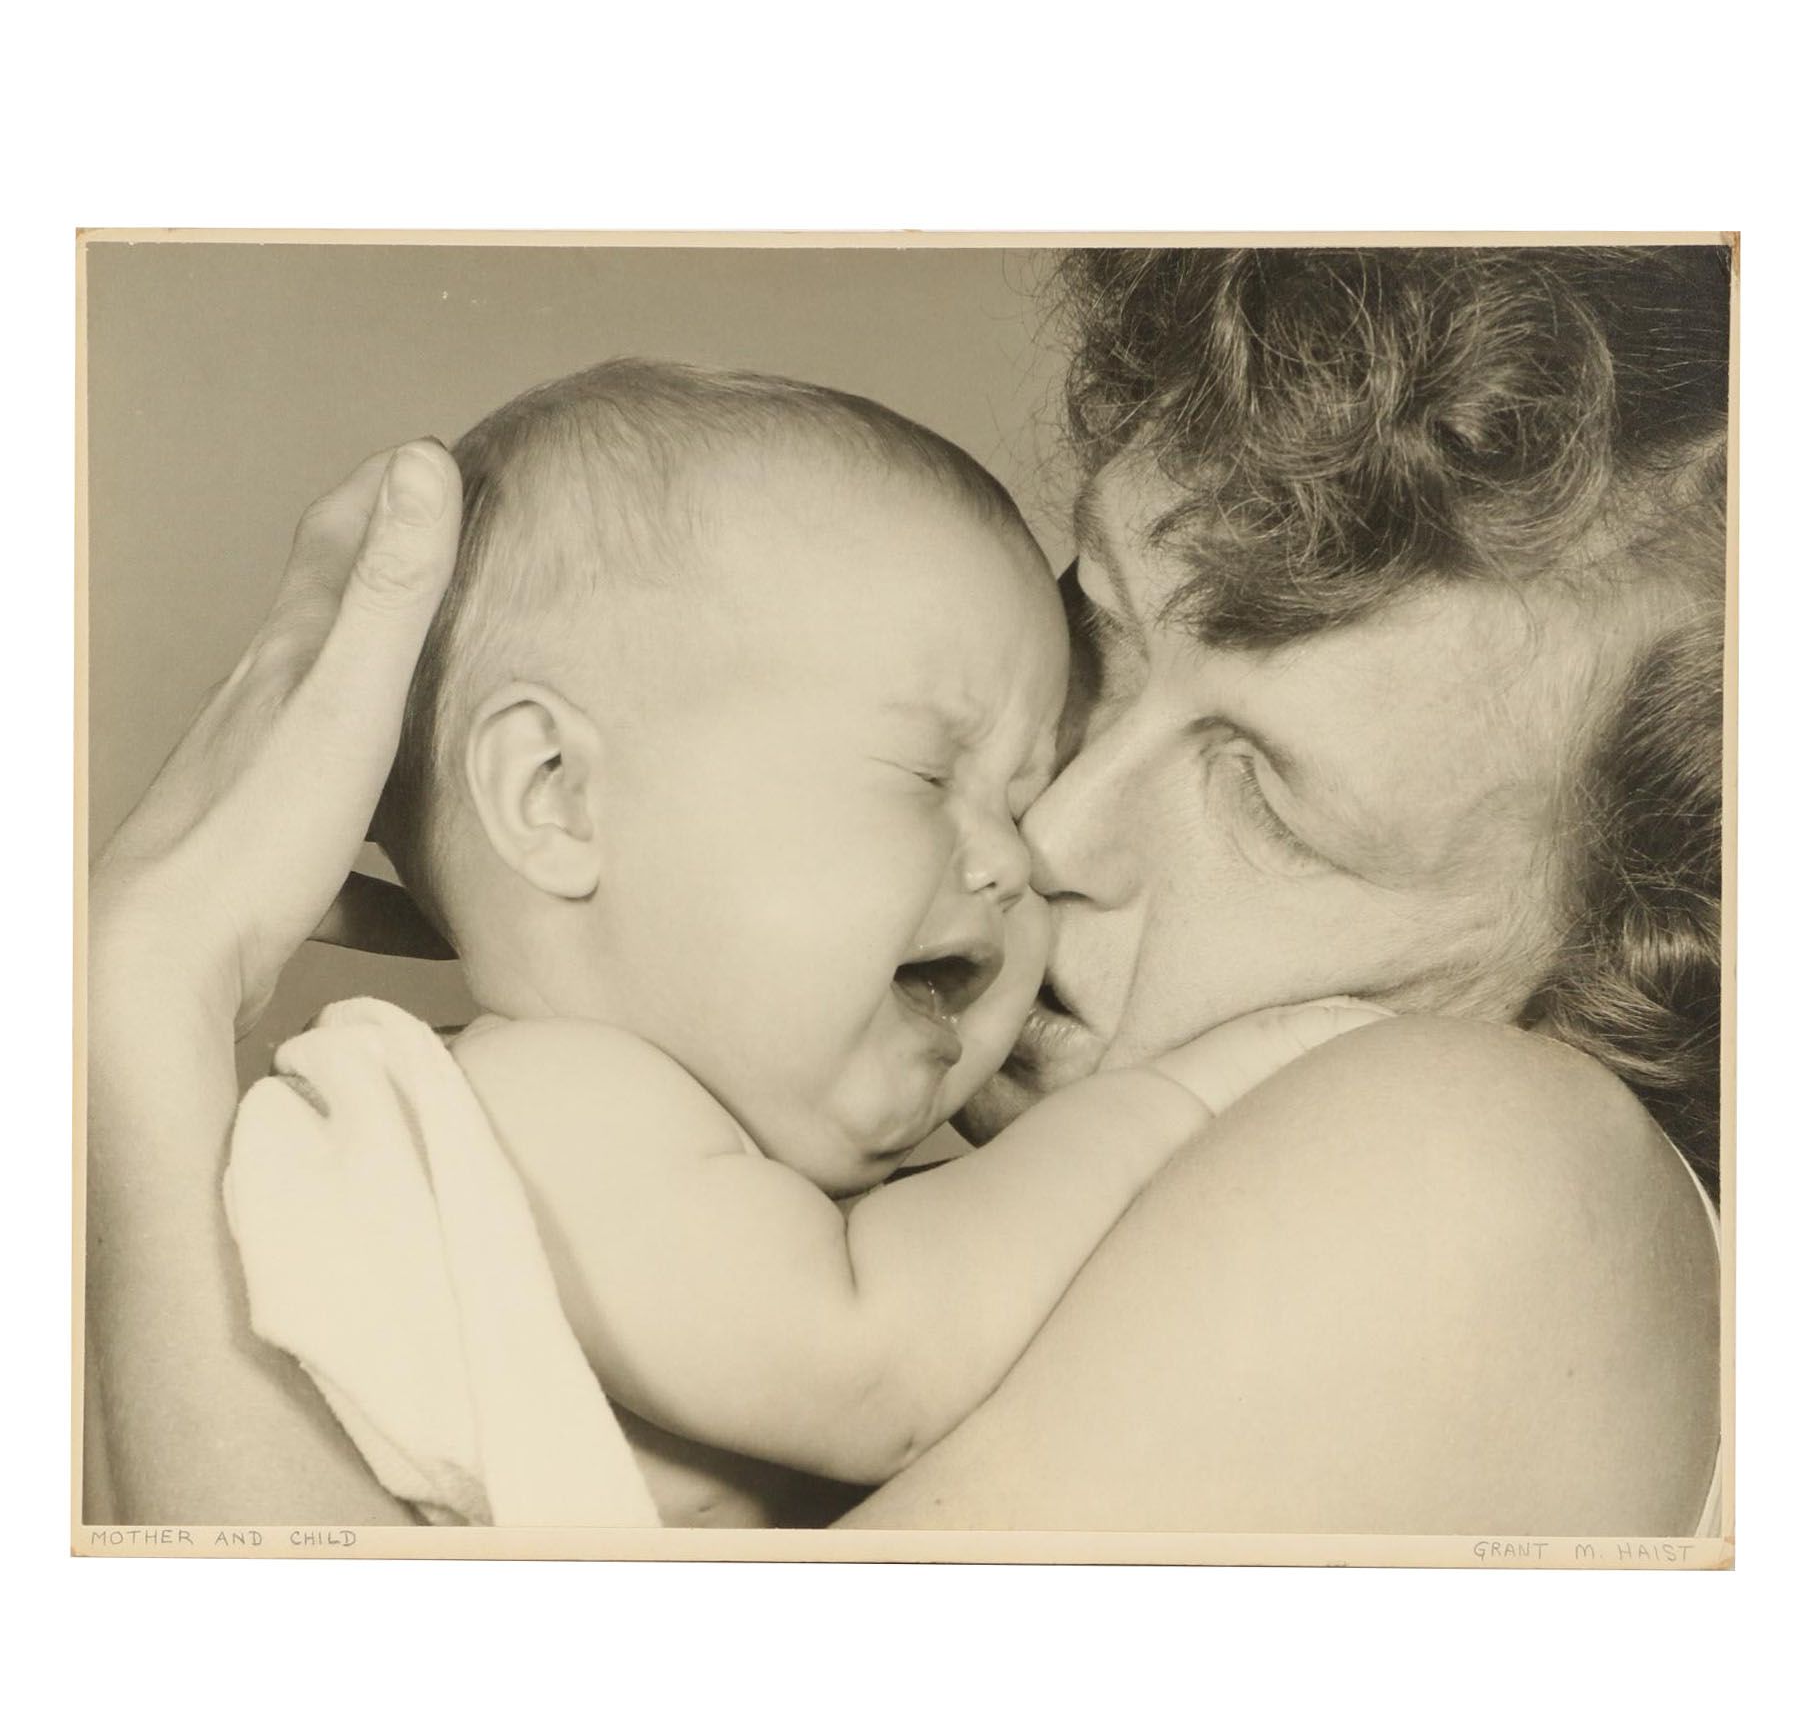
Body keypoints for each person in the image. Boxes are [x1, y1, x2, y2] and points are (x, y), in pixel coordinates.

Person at [86, 243, 1727, 1535]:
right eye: (1098, 642)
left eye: (1271, 803)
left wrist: (145, 1025)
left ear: (1609, 968)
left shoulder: (1491, 1157)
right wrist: (147, 1008)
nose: (1053, 834)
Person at [222, 360, 1379, 1521]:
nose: (1017, 859)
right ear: (557, 793)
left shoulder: (705, 1164)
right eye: (930, 773)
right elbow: (875, 1364)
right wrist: (1194, 1097)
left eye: (1015, 797)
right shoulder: (547, 1105)